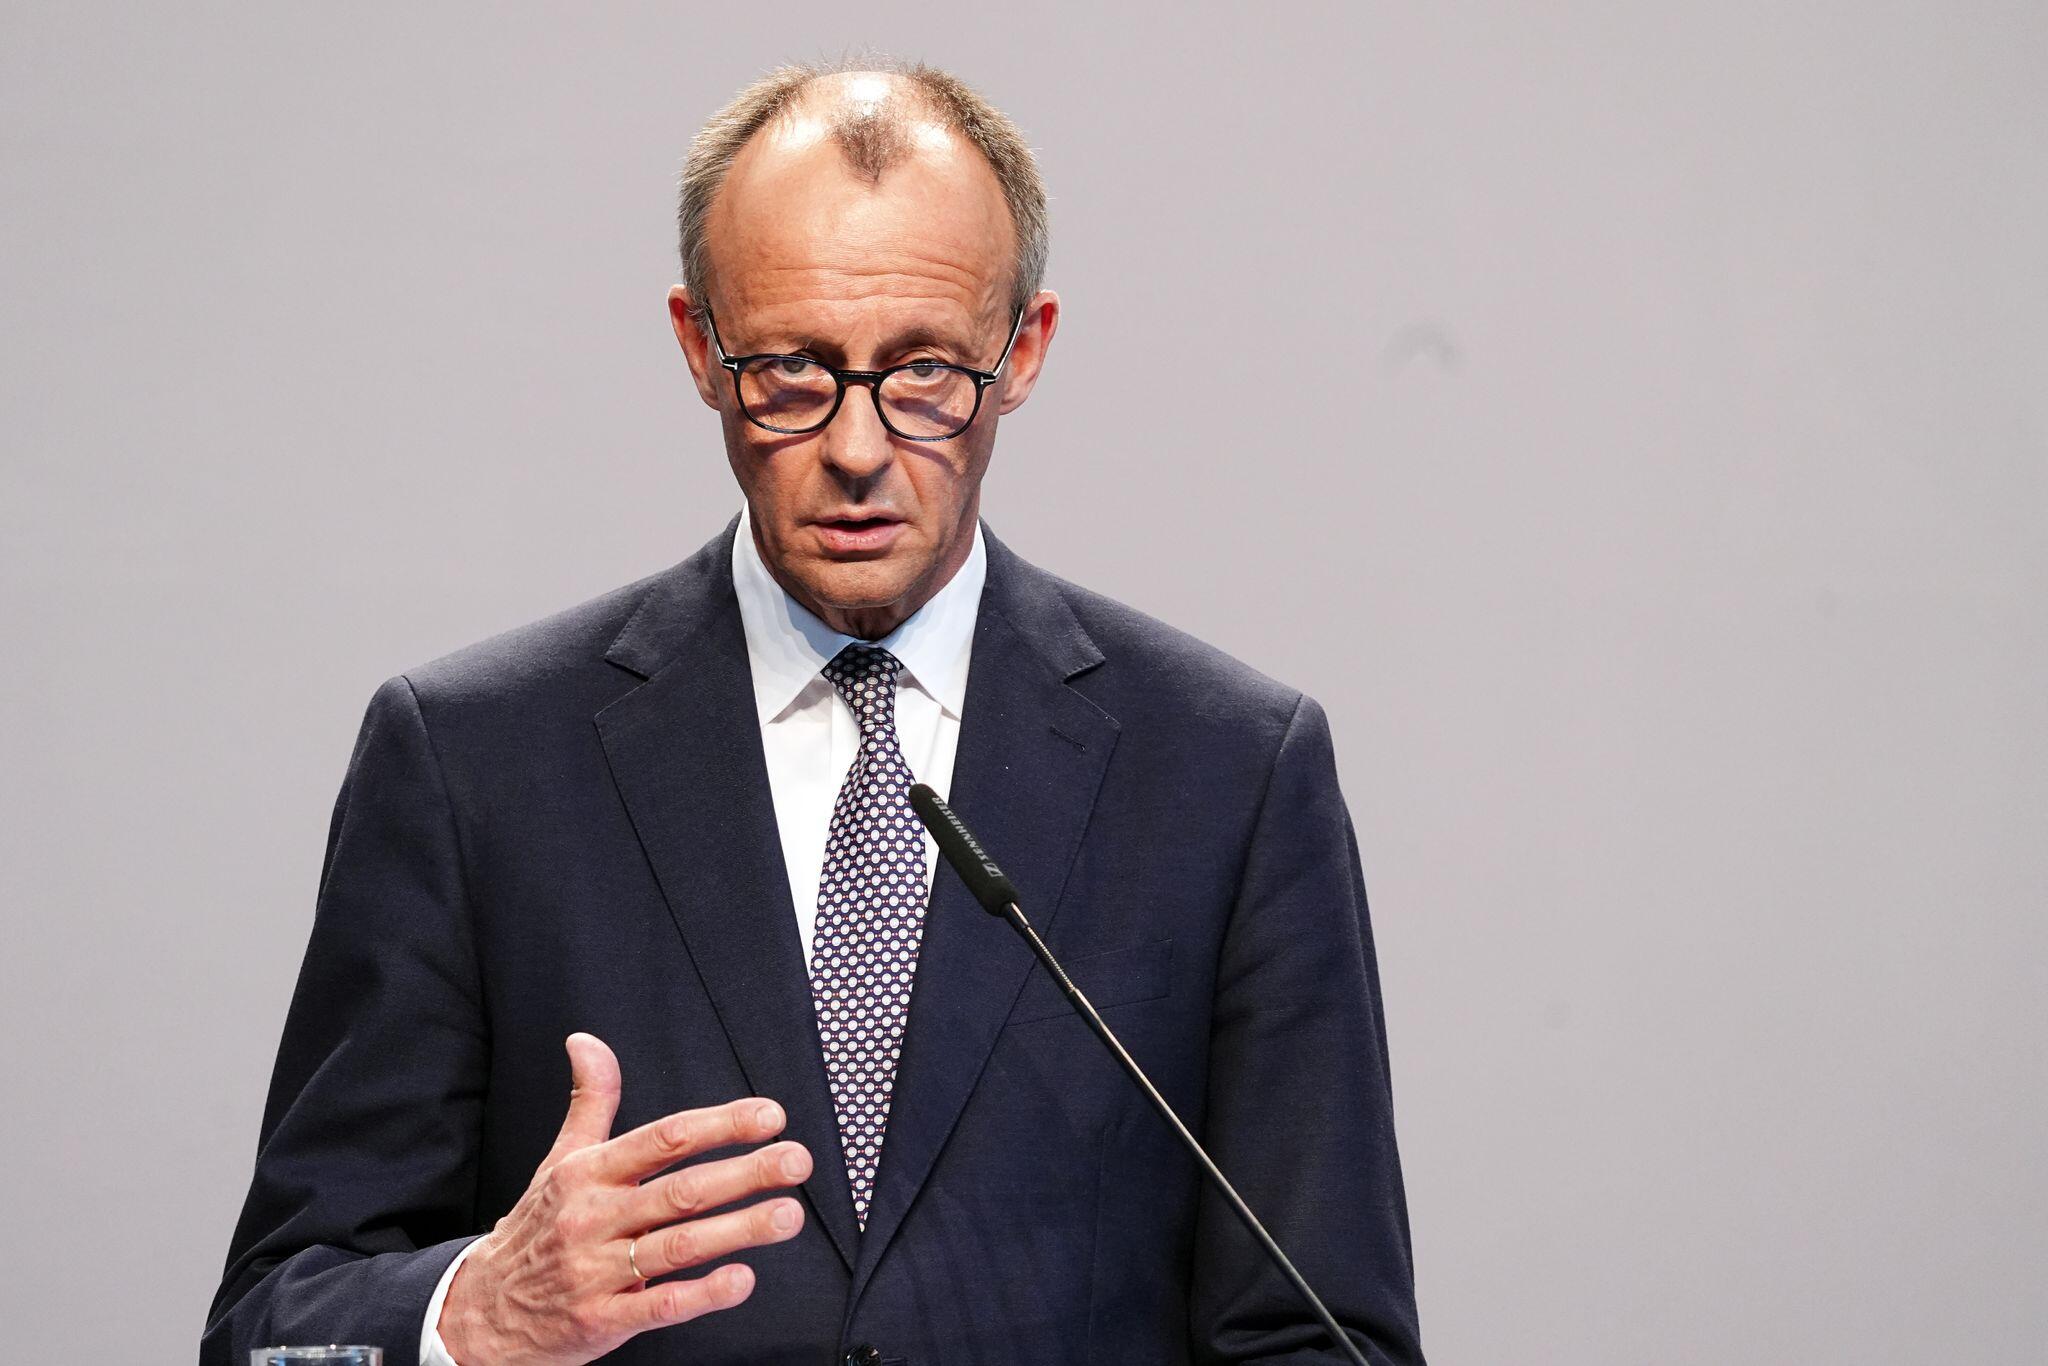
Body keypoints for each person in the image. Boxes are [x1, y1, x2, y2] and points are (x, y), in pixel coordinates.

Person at [204, 58, 1424, 1366]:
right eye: (790, 370)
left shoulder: (1229, 777)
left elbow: (1323, 1336)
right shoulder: (471, 764)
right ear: (698, 346)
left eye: (925, 371)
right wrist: (474, 1310)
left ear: (1022, 351)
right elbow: (272, 1328)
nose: (856, 447)